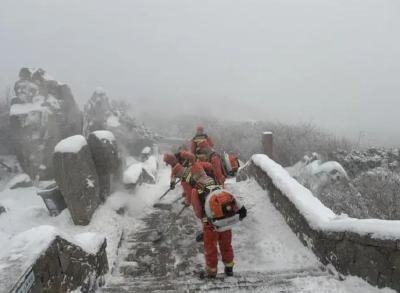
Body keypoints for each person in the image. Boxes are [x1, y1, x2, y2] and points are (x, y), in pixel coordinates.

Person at [190, 163, 247, 278]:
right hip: (225, 219)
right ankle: (229, 267)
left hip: (210, 222)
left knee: (210, 247)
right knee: (226, 244)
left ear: (194, 176)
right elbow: (227, 196)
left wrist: (205, 219)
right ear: (203, 172)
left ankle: (212, 271)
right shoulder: (215, 182)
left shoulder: (196, 189)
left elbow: (198, 211)